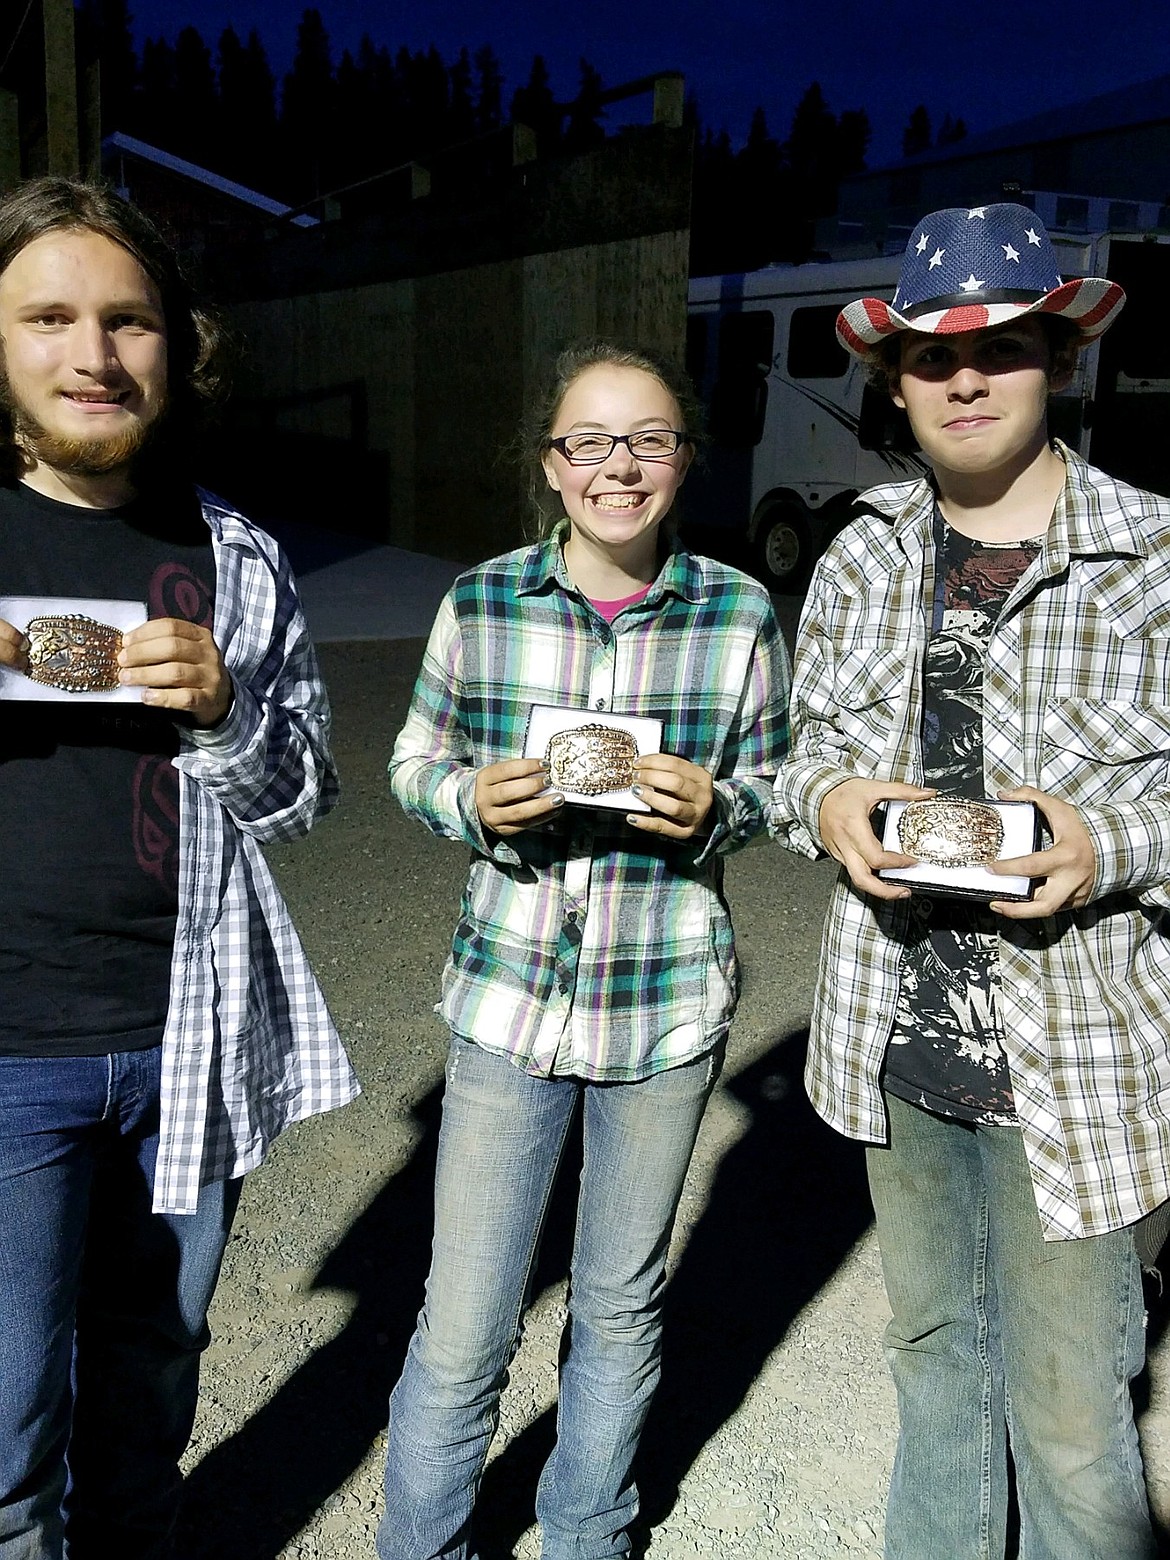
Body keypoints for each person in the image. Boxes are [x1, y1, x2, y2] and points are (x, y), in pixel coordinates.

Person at [772, 200, 1167, 1559]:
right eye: (932, 356)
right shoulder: (861, 554)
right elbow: (797, 753)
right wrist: (824, 800)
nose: (964, 378)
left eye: (1000, 345)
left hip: (1082, 1064)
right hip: (900, 1059)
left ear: (1058, 354)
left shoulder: (1154, 558)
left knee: (1068, 1420)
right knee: (935, 1369)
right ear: (891, 380)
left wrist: (1104, 845)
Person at [379, 341, 789, 1560]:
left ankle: (588, 1536)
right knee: (464, 1322)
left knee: (619, 1306)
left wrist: (723, 807)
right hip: (509, 1006)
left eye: (651, 439)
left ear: (682, 460)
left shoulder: (738, 610)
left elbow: (778, 775)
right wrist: (470, 803)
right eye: (592, 443)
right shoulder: (483, 602)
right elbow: (413, 759)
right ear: (552, 467)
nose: (622, 466)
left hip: (660, 1010)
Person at [0, 176, 358, 1557]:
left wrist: (223, 713)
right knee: (9, 1435)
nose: (93, 355)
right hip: (11, 1053)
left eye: (128, 320)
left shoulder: (237, 556)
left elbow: (303, 796)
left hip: (186, 1045)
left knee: (149, 1398)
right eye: (49, 317)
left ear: (173, 343)